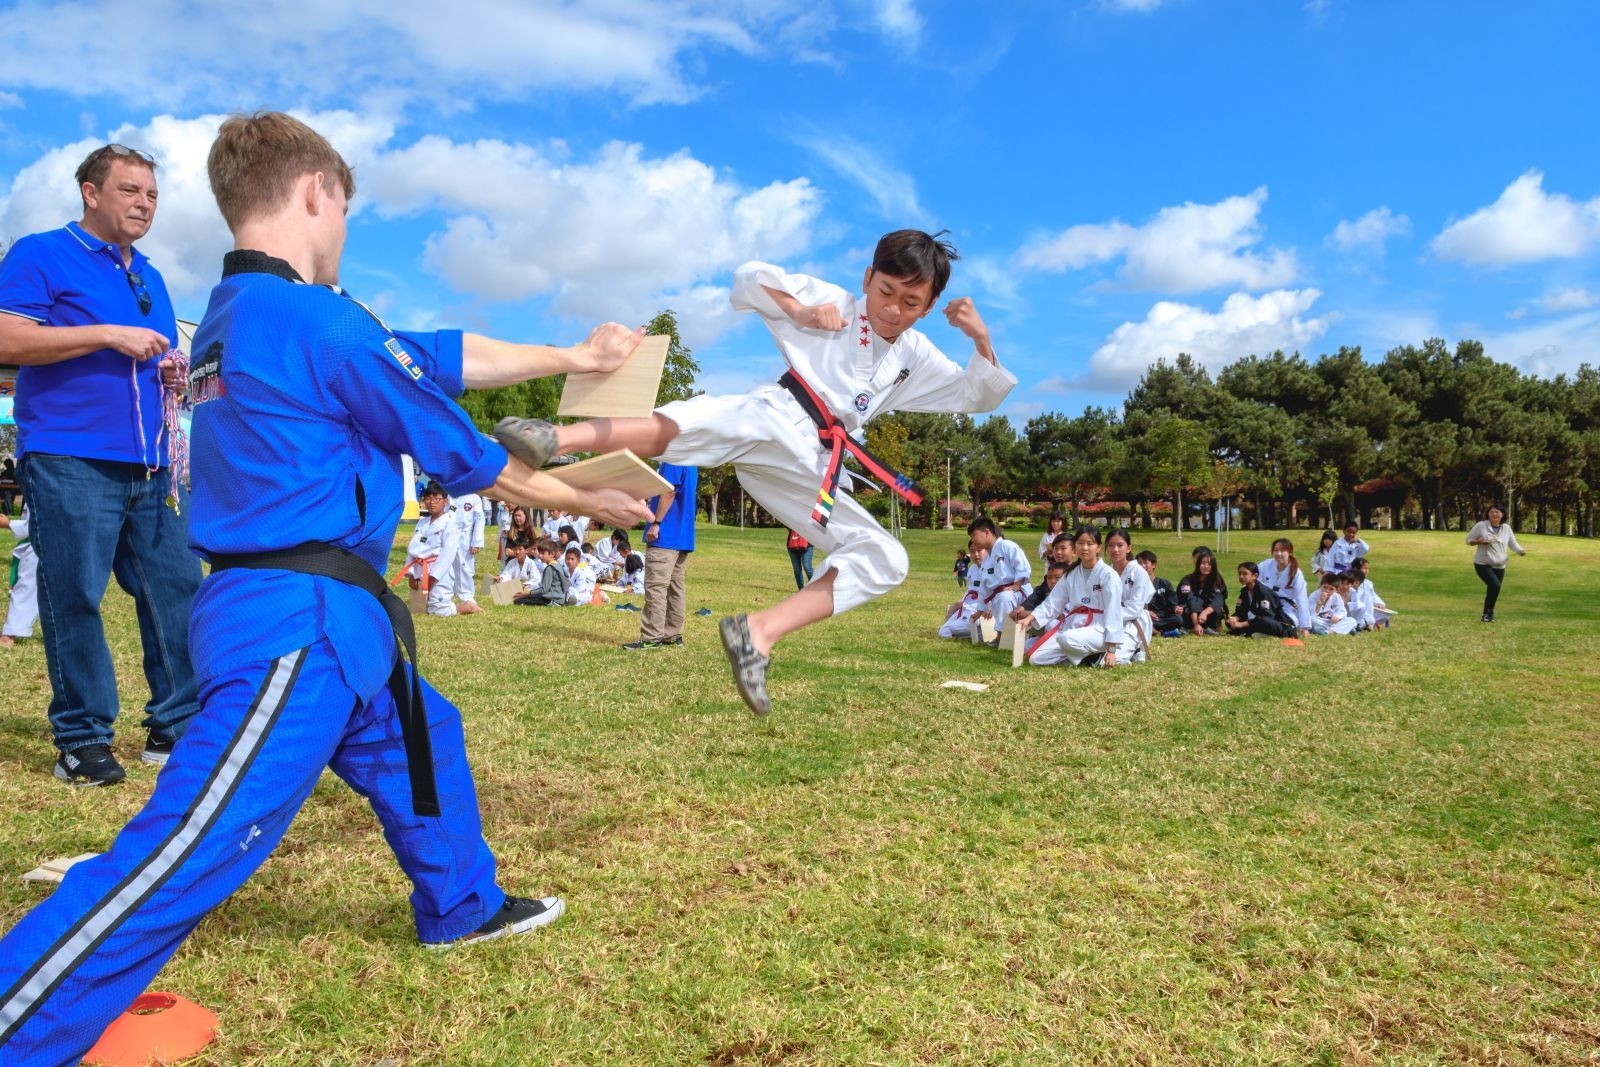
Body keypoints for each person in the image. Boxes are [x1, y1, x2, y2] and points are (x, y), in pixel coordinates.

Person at [0, 113, 655, 1065]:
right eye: (345, 206)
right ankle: (18, 1017)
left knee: (425, 736)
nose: (345, 223)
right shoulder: (317, 320)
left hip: (324, 612)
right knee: (189, 844)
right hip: (295, 624)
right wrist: (586, 496)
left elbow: (429, 351)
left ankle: (461, 904)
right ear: (318, 192)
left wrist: (577, 360)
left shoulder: (246, 314)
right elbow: (460, 448)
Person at [495, 230, 1014, 713]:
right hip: (781, 412)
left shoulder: (914, 357)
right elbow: (748, 280)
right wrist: (803, 312)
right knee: (700, 421)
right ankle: (552, 438)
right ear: (867, 280)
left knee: (887, 558)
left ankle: (758, 633)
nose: (893, 309)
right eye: (886, 291)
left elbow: (975, 393)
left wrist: (980, 339)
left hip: (813, 462)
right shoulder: (834, 302)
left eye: (910, 303)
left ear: (926, 309)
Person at [0, 142, 204, 784]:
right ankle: (82, 739)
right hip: (69, 455)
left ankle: (176, 726)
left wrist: (176, 370)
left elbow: (156, 353)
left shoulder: (150, 271)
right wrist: (106, 335)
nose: (144, 204)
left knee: (176, 588)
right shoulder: (41, 251)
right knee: (75, 596)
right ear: (91, 192)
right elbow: (8, 337)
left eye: (151, 195)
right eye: (129, 191)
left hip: (151, 463)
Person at [1017, 528, 1121, 667]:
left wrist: (1112, 650)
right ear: (1075, 546)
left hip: (1099, 628)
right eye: (1080, 543)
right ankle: (1085, 659)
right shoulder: (1071, 574)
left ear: (1098, 548)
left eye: (1089, 544)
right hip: (1074, 625)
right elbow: (1053, 602)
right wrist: (1030, 618)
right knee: (1036, 659)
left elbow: (1114, 613)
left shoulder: (1108, 575)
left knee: (1066, 638)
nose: (1084, 548)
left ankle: (1097, 655)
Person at [624, 462, 696, 649]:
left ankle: (651, 637)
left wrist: (656, 523)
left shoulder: (674, 458)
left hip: (665, 535)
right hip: (683, 537)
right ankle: (672, 634)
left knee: (656, 587)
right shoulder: (692, 459)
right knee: (675, 588)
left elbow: (669, 492)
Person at [401, 483, 461, 616]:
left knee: (439, 610)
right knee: (420, 608)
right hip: (419, 569)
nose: (432, 502)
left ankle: (465, 607)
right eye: (428, 498)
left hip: (439, 573)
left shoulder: (449, 524)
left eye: (436, 498)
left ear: (445, 501)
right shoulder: (422, 522)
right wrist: (411, 574)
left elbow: (448, 554)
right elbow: (413, 548)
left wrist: (432, 578)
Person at [968, 517, 1032, 639]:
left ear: (986, 532)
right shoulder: (987, 558)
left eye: (974, 535)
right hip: (1001, 596)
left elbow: (1023, 567)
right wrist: (980, 610)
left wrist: (1016, 585)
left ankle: (1001, 636)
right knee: (1000, 597)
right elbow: (984, 588)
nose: (973, 540)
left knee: (1003, 597)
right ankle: (1002, 635)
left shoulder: (1007, 546)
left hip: (1020, 594)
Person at [1465, 503, 1525, 623]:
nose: (1494, 514)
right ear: (1488, 514)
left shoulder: (1506, 528)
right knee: (1495, 585)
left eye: (1497, 512)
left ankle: (1487, 615)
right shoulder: (1481, 526)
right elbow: (1468, 540)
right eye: (1492, 512)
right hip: (1483, 563)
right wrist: (1480, 541)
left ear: (1502, 514)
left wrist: (1520, 550)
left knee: (1493, 589)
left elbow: (1512, 543)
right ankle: (1488, 614)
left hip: (1500, 564)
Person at [1104, 529, 1152, 664]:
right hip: (1108, 621)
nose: (1115, 550)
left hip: (1133, 621)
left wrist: (1110, 614)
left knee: (1115, 659)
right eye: (1111, 545)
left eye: (1120, 545)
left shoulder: (1138, 572)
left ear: (1128, 548)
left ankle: (1137, 648)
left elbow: (1135, 609)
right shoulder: (1105, 572)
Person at [1, 505, 39, 645]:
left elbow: (34, 525)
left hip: (41, 542)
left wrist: (9, 524)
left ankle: (9, 634)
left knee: (27, 586)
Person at [1258, 538, 1311, 638]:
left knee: (1287, 624)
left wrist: (1305, 627)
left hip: (1286, 608)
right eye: (1276, 550)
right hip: (1267, 604)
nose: (1278, 554)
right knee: (1258, 618)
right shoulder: (1266, 564)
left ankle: (1271, 632)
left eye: (1282, 550)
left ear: (1290, 552)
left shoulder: (1296, 573)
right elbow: (1253, 578)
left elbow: (1302, 599)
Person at [1225, 562, 1294, 638]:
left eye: (1245, 574)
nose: (1241, 576)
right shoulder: (1244, 591)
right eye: (1239, 574)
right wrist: (1234, 619)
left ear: (1255, 576)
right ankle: (1253, 633)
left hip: (1281, 625)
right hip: (1259, 622)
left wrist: (1241, 624)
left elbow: (1266, 616)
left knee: (1263, 620)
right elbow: (1241, 611)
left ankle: (1256, 633)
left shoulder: (1264, 592)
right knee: (1229, 622)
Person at [447, 490, 486, 614]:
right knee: (447, 565)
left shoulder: (474, 497)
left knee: (465, 566)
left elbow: (479, 520)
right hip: (449, 533)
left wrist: (476, 542)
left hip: (465, 536)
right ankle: (448, 593)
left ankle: (468, 596)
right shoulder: (449, 494)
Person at [940, 542, 987, 638]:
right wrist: (961, 602)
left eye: (979, 551)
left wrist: (988, 607)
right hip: (968, 605)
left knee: (955, 628)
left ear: (987, 550)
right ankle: (974, 633)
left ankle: (982, 633)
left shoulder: (992, 568)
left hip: (980, 608)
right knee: (943, 633)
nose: (976, 554)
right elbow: (970, 590)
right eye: (973, 551)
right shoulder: (972, 569)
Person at [1177, 552, 1228, 635]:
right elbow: (1190, 600)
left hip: (1205, 614)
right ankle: (1188, 627)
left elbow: (1217, 599)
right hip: (1190, 613)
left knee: (1218, 608)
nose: (1206, 566)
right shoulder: (1187, 580)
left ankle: (1211, 627)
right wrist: (1196, 623)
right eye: (1203, 563)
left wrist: (1204, 613)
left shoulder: (1216, 580)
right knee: (1185, 607)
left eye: (1209, 564)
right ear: (1198, 565)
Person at [1136, 550, 1181, 636]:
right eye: (1139, 563)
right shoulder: (1134, 584)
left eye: (1145, 563)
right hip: (1145, 616)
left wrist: (1176, 608)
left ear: (1153, 565)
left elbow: (1172, 603)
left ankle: (1152, 630)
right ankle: (1160, 632)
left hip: (1162, 618)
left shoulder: (1165, 583)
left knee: (1178, 619)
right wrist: (1147, 612)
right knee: (1139, 620)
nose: (1142, 566)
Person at [515, 540, 570, 606]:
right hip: (559, 598)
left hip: (552, 600)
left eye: (543, 553)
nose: (540, 556)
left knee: (518, 600)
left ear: (552, 554)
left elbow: (544, 590)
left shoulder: (549, 568)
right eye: (540, 553)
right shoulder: (557, 565)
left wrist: (528, 593)